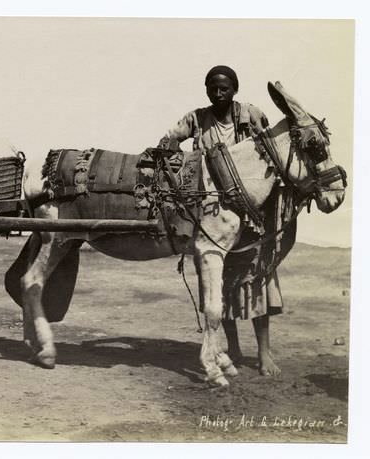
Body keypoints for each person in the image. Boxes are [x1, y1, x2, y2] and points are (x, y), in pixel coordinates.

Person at [160, 65, 294, 375]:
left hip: (252, 213)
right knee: (220, 285)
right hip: (215, 217)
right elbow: (168, 139)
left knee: (259, 279)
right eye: (212, 88)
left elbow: (272, 151)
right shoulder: (197, 118)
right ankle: (230, 348)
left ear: (234, 89)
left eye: (224, 88)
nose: (218, 93)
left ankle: (264, 353)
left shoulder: (251, 115)